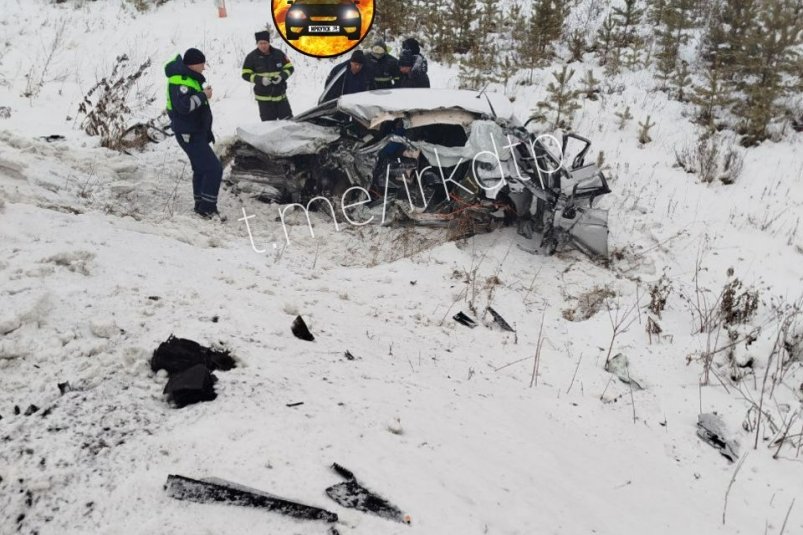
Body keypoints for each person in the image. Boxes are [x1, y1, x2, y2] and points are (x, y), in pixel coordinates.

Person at [165, 48, 223, 218]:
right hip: (188, 132)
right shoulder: (180, 81)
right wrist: (203, 95)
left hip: (195, 131)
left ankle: (200, 204)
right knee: (214, 169)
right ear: (194, 64)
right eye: (202, 64)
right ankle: (208, 208)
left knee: (201, 169)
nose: (204, 68)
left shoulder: (189, 78)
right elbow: (184, 107)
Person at [241, 31, 294, 121]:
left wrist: (281, 76)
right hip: (264, 101)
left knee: (288, 123)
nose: (263, 46)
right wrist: (260, 80)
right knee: (269, 127)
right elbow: (245, 74)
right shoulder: (251, 57)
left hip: (281, 98)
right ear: (257, 44)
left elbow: (290, 68)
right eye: (260, 43)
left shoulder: (279, 54)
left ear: (269, 42)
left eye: (265, 43)